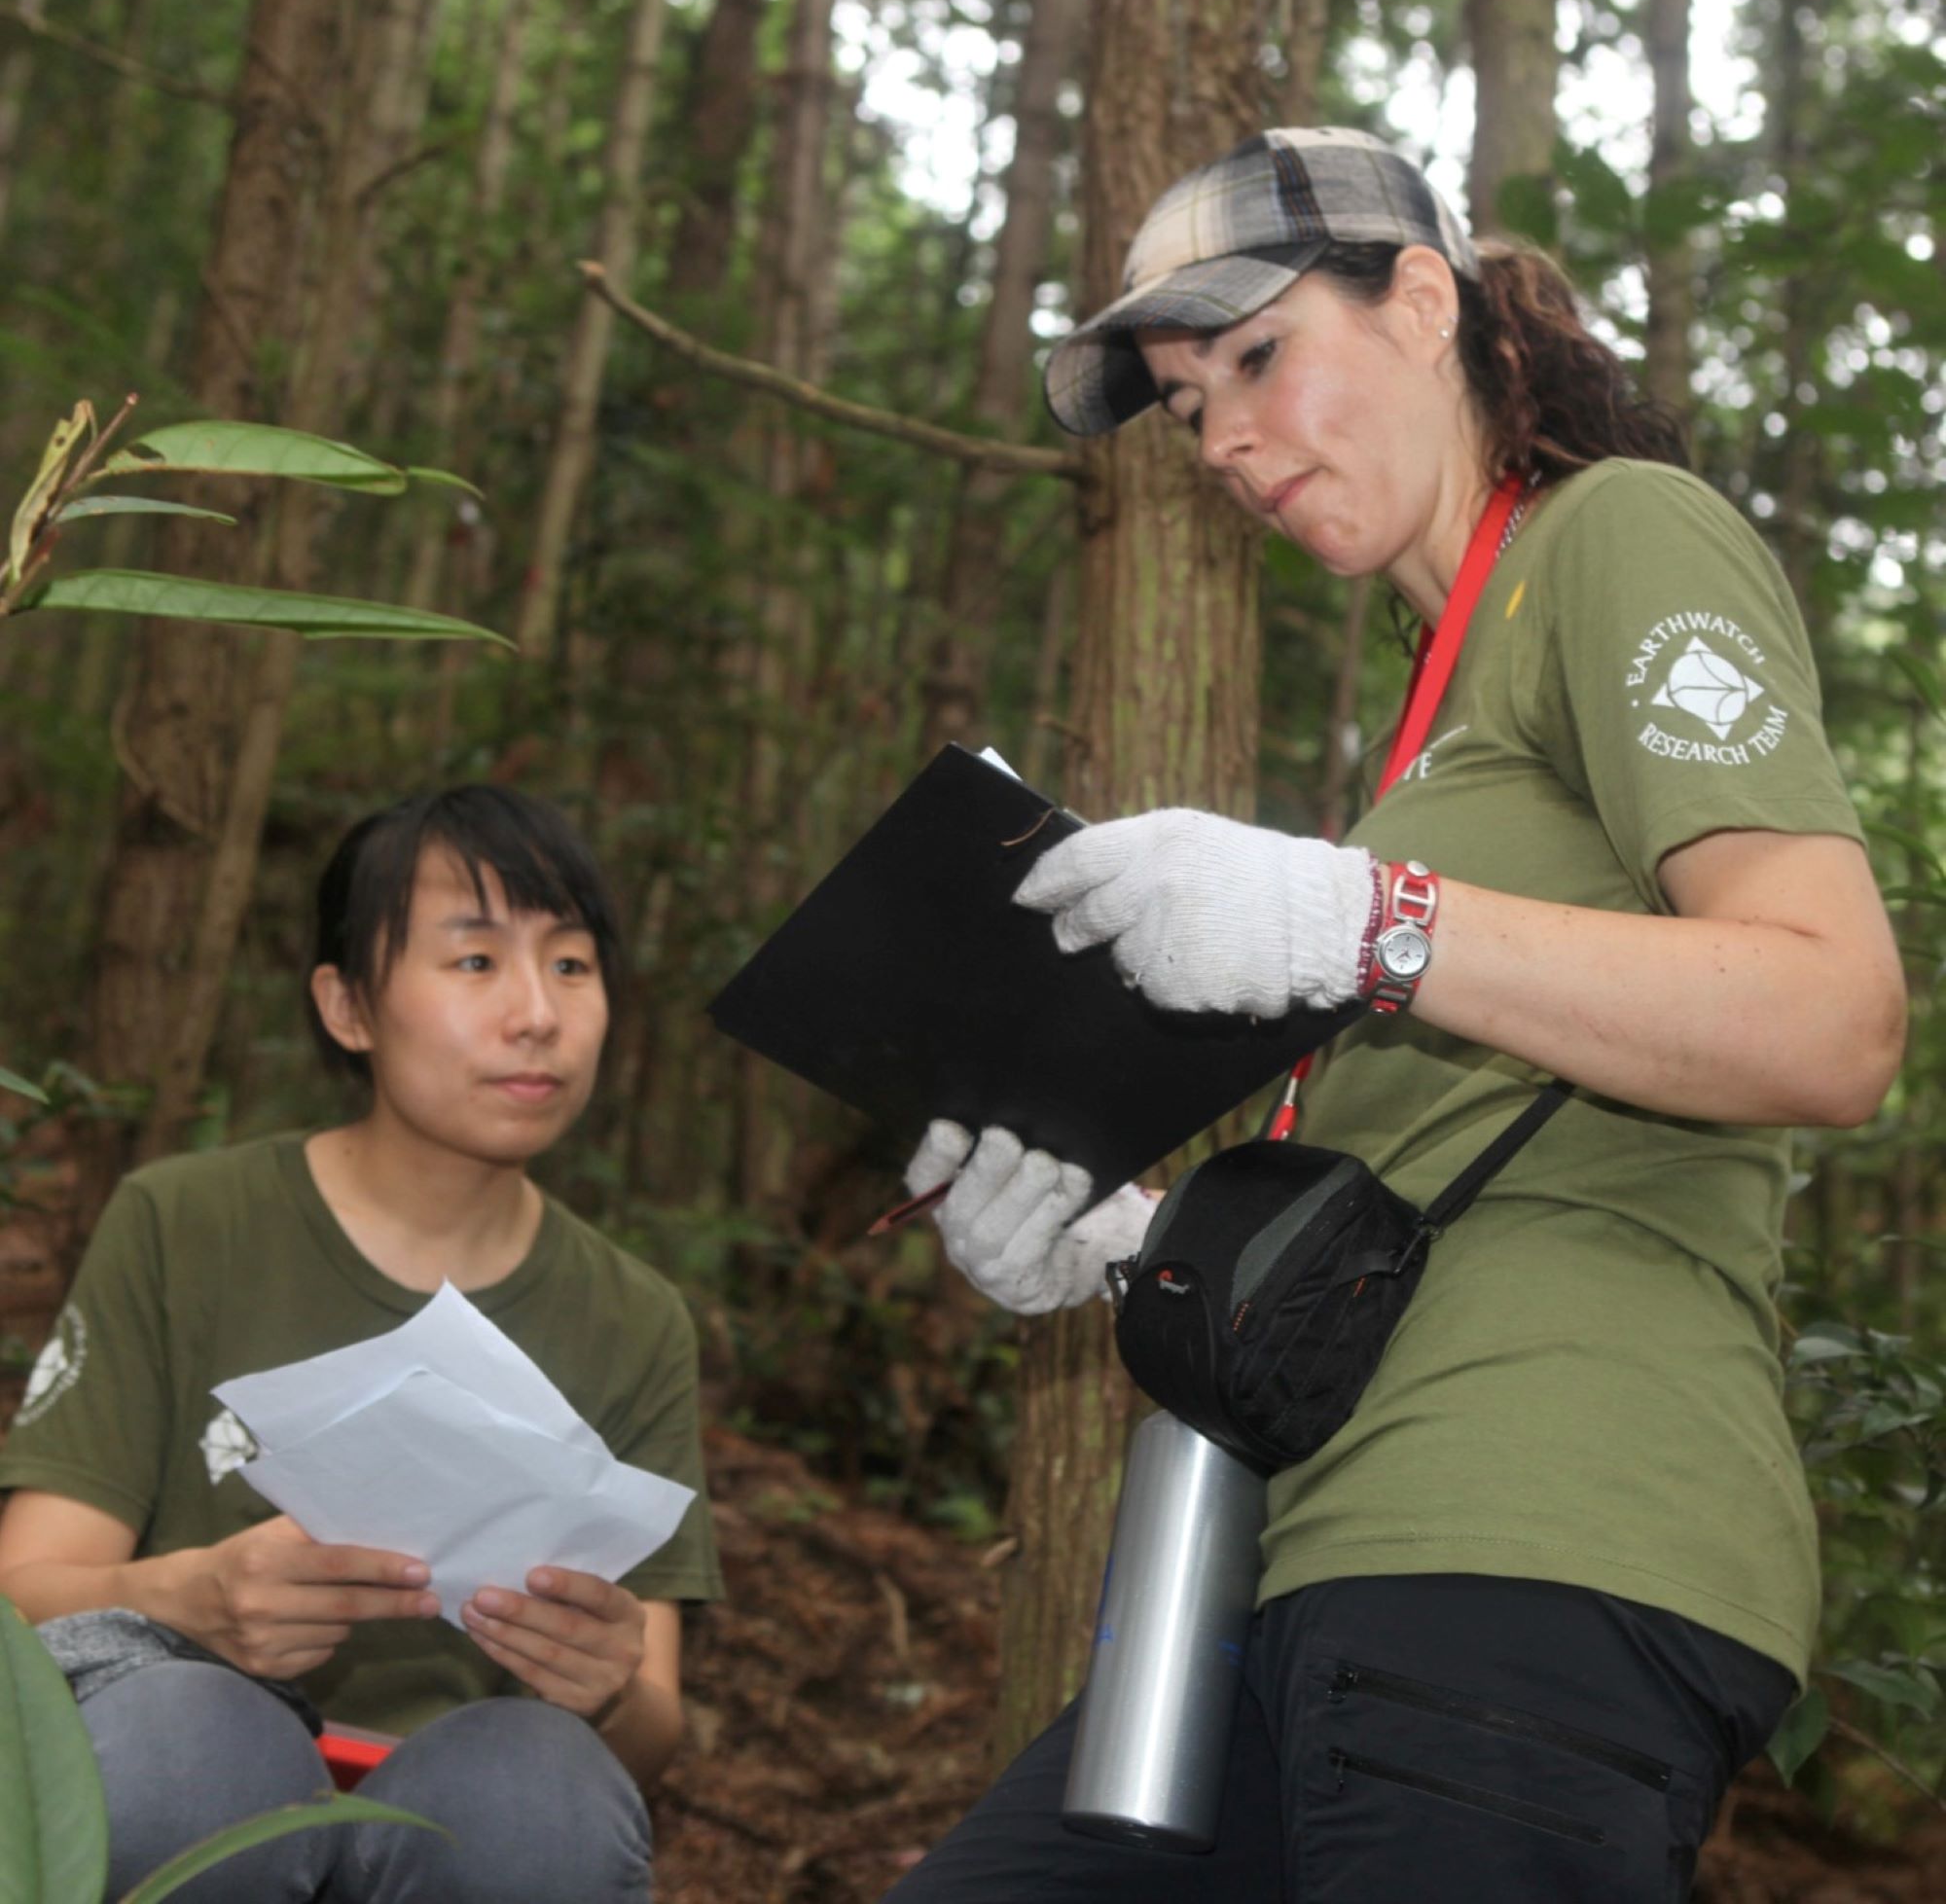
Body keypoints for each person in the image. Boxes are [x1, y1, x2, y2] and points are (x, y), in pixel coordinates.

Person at [889, 127, 1906, 1902]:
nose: (1219, 439)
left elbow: (1830, 1017)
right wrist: (1123, 1249)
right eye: (1191, 403)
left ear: (1422, 299)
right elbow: (1434, 1168)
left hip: (1531, 1545)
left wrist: (1366, 915)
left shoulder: (1619, 538)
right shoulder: (1436, 729)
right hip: (1295, 1569)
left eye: (1258, 359)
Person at [0, 786, 722, 1902]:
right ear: (346, 1006)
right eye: (475, 961)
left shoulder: (629, 1315)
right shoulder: (189, 1223)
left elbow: (645, 1727)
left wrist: (607, 1684)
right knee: (191, 1743)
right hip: (191, 1776)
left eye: (571, 964)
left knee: (543, 1794)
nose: (537, 1011)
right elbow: (22, 1597)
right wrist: (191, 1597)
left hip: (455, 1808)